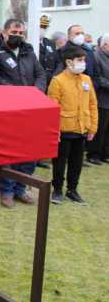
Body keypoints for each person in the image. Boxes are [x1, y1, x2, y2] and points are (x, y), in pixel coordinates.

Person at [0, 19, 47, 207]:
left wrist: (35, 92)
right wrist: (18, 94)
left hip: (30, 109)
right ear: (5, 32)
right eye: (15, 31)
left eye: (21, 32)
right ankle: (6, 190)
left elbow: (40, 74)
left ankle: (21, 188)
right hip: (8, 110)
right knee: (8, 152)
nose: (18, 35)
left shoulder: (28, 51)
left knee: (28, 150)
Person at [48, 46, 97, 205]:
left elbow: (92, 104)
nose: (83, 63)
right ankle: (57, 189)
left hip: (82, 129)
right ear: (69, 62)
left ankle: (72, 190)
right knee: (60, 162)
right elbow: (53, 108)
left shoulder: (86, 80)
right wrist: (54, 130)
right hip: (64, 129)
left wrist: (92, 127)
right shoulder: (57, 81)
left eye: (84, 60)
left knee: (77, 162)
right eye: (80, 60)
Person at [87, 34, 109, 165]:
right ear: (104, 45)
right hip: (101, 98)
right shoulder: (96, 56)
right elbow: (97, 77)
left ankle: (105, 153)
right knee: (100, 128)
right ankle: (94, 153)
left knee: (108, 130)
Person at [38, 14, 57, 83]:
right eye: (40, 26)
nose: (42, 29)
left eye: (44, 27)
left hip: (50, 81)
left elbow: (57, 61)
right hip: (37, 81)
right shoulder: (27, 43)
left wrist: (54, 76)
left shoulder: (50, 43)